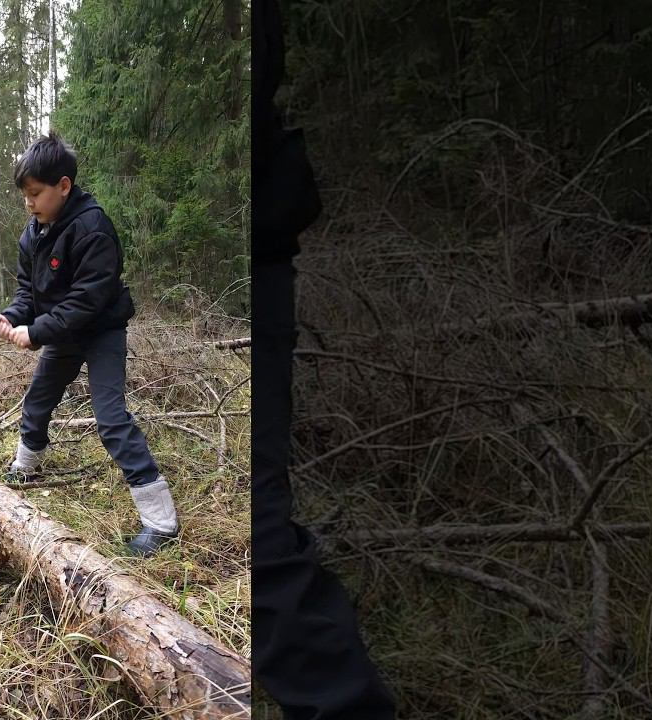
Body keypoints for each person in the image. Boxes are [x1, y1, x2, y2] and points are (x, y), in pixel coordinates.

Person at [255, 0, 398, 717]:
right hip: (263, 250)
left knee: (258, 530)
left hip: (261, 260)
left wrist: (42, 324)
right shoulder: (46, 232)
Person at [0, 132, 177, 557]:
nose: (29, 203)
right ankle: (25, 466)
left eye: (36, 194)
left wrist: (36, 331)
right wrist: (13, 317)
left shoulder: (93, 228)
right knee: (38, 399)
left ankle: (160, 521)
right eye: (24, 195)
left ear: (63, 186)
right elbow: (27, 292)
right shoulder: (32, 235)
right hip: (62, 333)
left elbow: (87, 300)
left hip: (101, 331)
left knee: (110, 418)